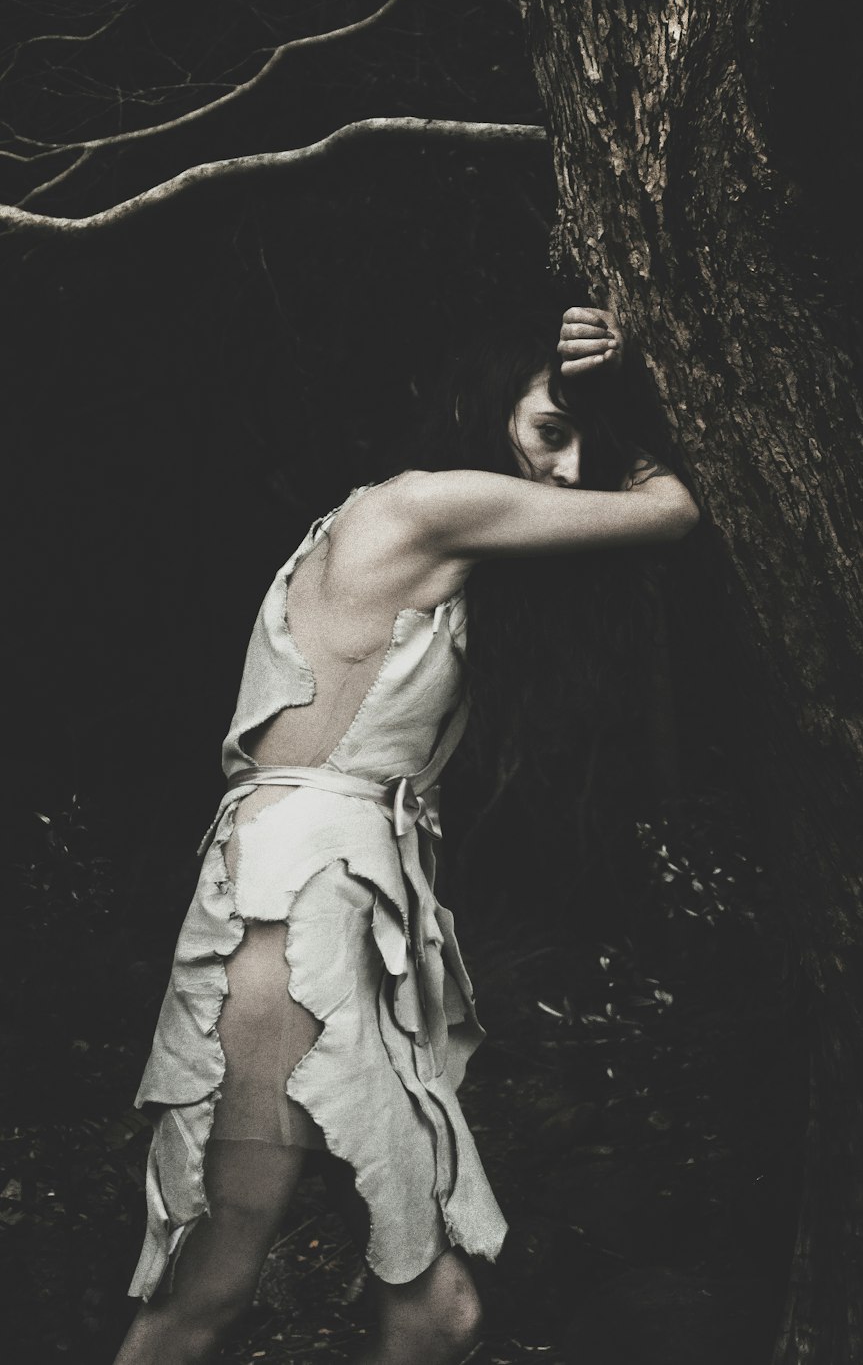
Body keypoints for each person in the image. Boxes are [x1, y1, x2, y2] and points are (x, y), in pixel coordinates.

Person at [113, 305, 700, 1365]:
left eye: (583, 447)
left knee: (423, 1311)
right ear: (485, 409)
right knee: (213, 1285)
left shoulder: (417, 531)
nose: (567, 473)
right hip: (296, 904)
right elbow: (668, 511)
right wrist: (642, 390)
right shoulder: (429, 504)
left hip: (325, 899)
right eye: (551, 430)